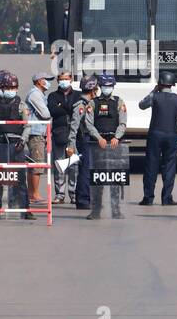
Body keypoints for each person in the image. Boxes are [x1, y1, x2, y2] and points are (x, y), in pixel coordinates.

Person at [71, 71, 127, 219]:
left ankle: (116, 210)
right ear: (100, 86)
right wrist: (98, 137)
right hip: (98, 145)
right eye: (104, 86)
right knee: (97, 179)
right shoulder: (92, 103)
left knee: (115, 178)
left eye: (110, 86)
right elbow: (89, 124)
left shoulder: (119, 102)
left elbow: (122, 123)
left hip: (115, 145)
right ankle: (95, 211)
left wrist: (117, 137)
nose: (107, 88)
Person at [0, 71, 33, 220]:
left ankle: (24, 209)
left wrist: (23, 141)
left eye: (13, 88)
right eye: (7, 87)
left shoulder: (21, 105)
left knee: (19, 179)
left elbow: (27, 126)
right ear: (0, 88)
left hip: (17, 145)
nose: (11, 90)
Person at [138, 70, 177, 206]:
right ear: (172, 85)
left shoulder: (154, 97)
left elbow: (141, 105)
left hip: (155, 135)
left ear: (159, 83)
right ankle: (167, 198)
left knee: (151, 166)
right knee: (169, 167)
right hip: (172, 135)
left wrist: (153, 90)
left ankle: (148, 198)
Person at [48, 71, 81, 204]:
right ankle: (60, 194)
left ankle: (73, 193)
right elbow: (53, 110)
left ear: (71, 79)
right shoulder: (52, 95)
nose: (64, 81)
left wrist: (62, 106)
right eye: (61, 79)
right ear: (58, 80)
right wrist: (69, 108)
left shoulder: (78, 94)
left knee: (73, 165)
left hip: (74, 134)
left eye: (66, 79)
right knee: (59, 164)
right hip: (59, 133)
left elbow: (78, 111)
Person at [66, 76, 98, 210]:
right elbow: (74, 127)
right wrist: (71, 146)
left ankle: (86, 198)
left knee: (88, 170)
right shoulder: (80, 105)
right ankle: (83, 200)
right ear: (92, 90)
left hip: (88, 140)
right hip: (83, 139)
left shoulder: (89, 103)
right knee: (85, 170)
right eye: (96, 88)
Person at [25, 72, 53, 207]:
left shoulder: (41, 94)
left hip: (38, 131)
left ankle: (32, 193)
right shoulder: (35, 94)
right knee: (37, 164)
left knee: (34, 164)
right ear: (39, 81)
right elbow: (46, 114)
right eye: (46, 80)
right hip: (35, 132)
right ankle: (34, 194)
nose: (48, 82)